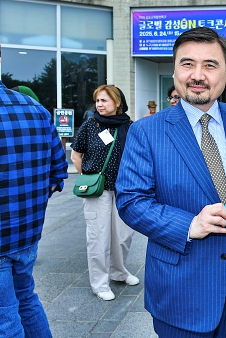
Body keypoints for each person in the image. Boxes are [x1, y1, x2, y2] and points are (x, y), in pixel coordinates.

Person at [115, 27, 226, 337]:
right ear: (175, 70)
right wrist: (189, 224)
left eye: (210, 65)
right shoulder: (146, 131)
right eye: (187, 64)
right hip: (180, 290)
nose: (197, 75)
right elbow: (131, 201)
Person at [0, 24, 68, 337]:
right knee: (26, 300)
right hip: (26, 236)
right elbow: (58, 173)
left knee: (2, 323)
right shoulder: (34, 109)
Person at [71, 85, 139, 301]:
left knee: (123, 236)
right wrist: (88, 178)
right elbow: (75, 155)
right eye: (97, 101)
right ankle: (100, 284)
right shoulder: (90, 125)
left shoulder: (130, 126)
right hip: (98, 190)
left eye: (104, 101)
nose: (99, 105)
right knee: (98, 237)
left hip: (124, 190)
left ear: (117, 103)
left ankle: (119, 272)